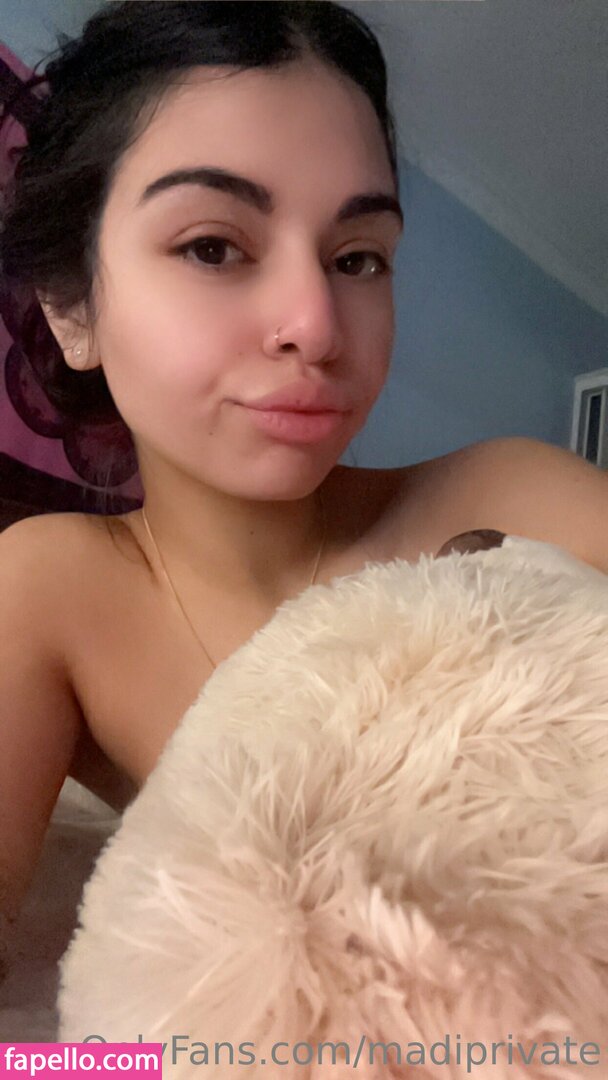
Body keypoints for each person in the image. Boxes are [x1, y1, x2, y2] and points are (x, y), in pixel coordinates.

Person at [0, 0, 508, 940]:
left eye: (358, 259)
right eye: (213, 247)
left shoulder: (512, 503)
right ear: (72, 308)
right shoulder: (49, 591)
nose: (315, 325)